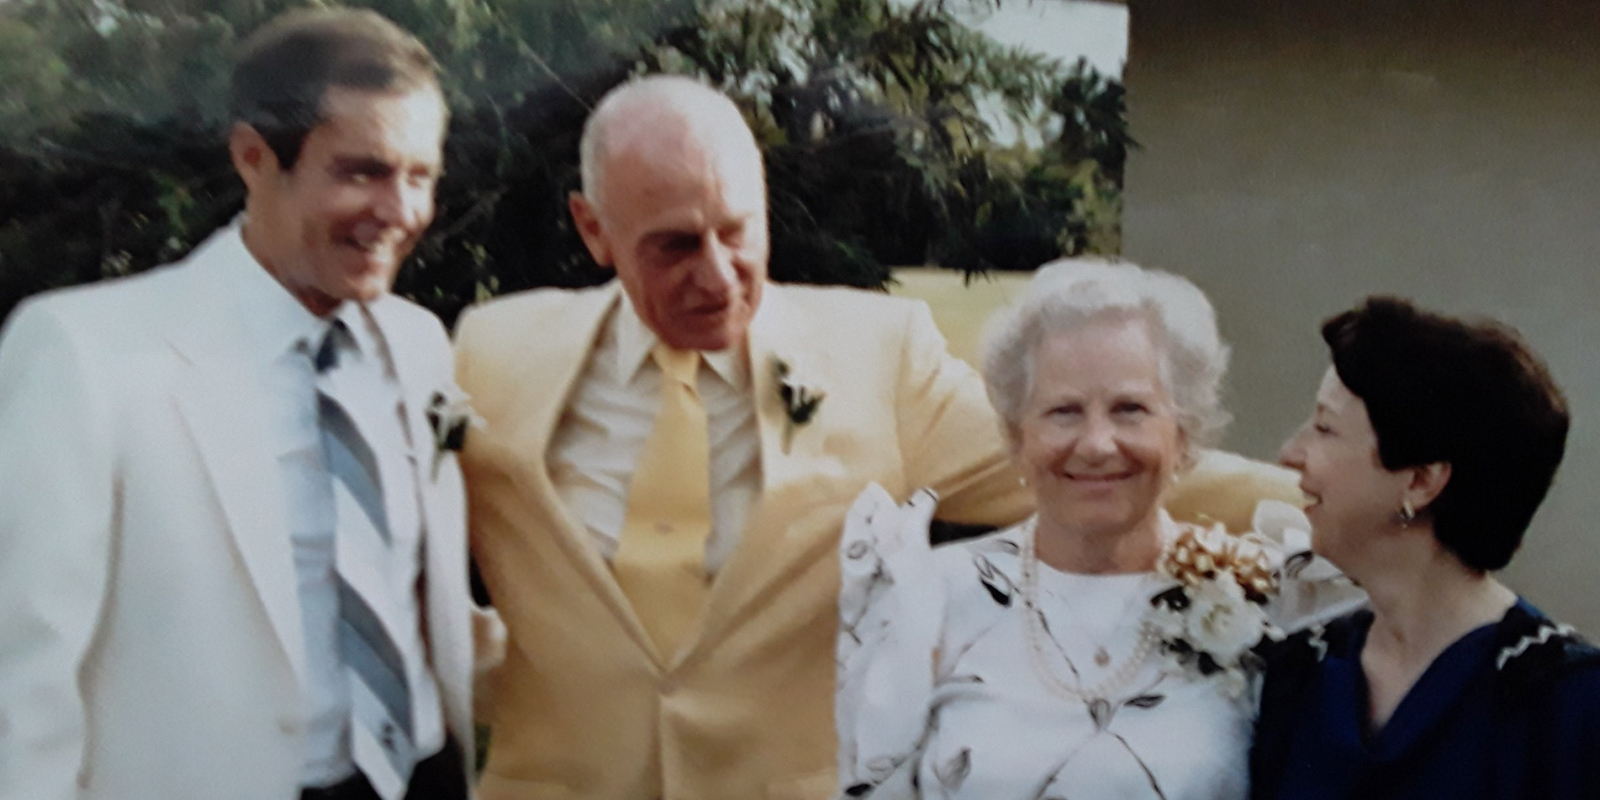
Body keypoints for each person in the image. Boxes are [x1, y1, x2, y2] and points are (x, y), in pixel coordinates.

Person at [0, 9, 497, 800]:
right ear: (254, 158)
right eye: (363, 173)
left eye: (420, 176)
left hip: (418, 778)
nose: (401, 212)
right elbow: (24, 677)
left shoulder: (418, 345)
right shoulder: (85, 356)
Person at [835, 259, 1363, 799]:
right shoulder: (925, 598)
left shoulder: (1266, 596)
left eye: (1130, 409)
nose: (1096, 444)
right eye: (1063, 411)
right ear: (1017, 436)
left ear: (1183, 433)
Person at [1250, 297, 1600, 800]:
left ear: (1420, 482)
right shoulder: (1301, 673)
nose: (1290, 453)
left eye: (1325, 428)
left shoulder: (1566, 703)